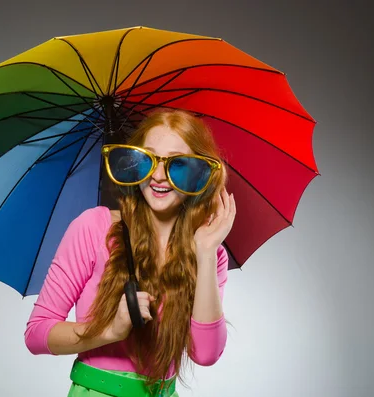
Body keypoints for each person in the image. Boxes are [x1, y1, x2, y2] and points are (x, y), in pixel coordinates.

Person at [24, 109, 236, 396]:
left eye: (177, 164)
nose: (158, 176)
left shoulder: (208, 252)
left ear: (200, 172)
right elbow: (36, 334)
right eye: (148, 159)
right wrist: (110, 330)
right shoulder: (94, 228)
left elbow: (206, 354)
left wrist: (207, 252)